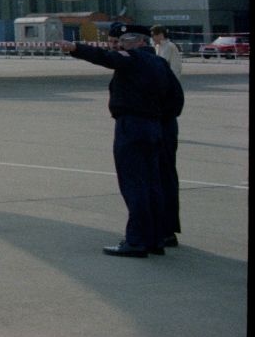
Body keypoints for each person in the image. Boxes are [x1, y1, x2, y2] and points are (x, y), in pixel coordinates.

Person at [62, 31, 176, 257]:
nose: (120, 45)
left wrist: (75, 48)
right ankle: (156, 239)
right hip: (155, 127)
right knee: (153, 184)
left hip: (132, 126)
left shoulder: (132, 59)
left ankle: (136, 241)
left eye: (125, 41)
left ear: (141, 42)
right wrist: (159, 120)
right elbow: (175, 97)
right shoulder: (160, 63)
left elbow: (105, 58)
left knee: (134, 185)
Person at [150, 26, 185, 250]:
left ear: (162, 34)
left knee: (162, 176)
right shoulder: (156, 48)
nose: (154, 37)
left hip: (163, 116)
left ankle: (166, 230)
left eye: (156, 34)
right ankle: (163, 229)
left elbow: (176, 70)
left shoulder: (170, 48)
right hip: (161, 117)